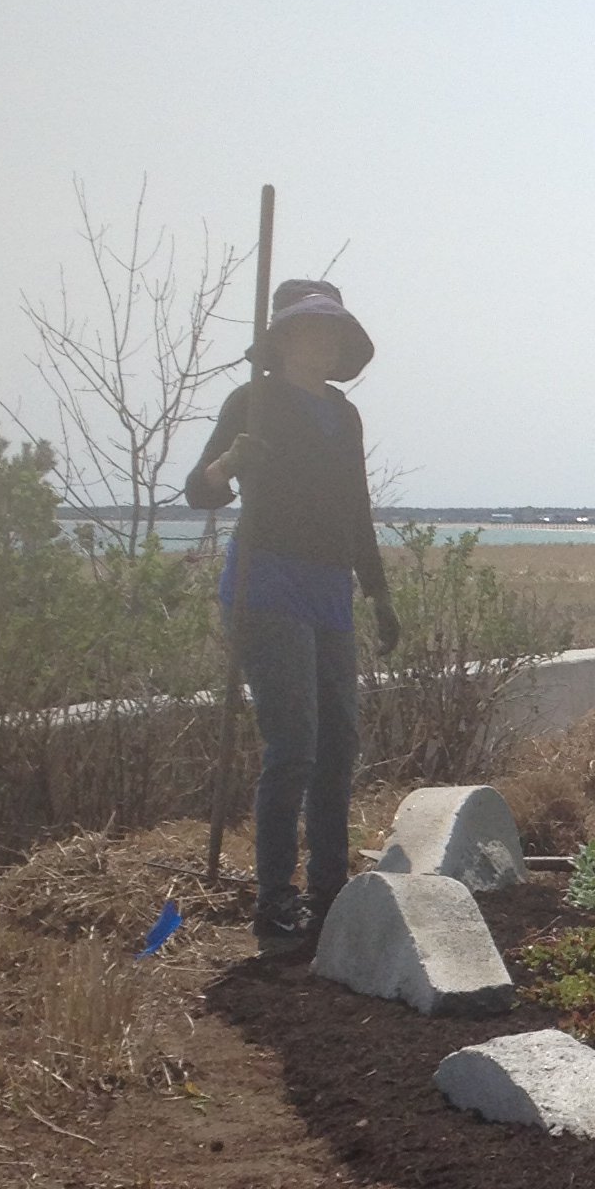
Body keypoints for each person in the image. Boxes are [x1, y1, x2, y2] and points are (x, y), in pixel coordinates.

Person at [184, 279, 399, 955]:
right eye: (310, 329)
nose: (323, 340)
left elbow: (357, 507)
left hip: (330, 587)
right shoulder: (254, 402)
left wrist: (380, 591)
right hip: (266, 580)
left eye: (332, 331)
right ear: (283, 339)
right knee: (294, 745)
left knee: (339, 743)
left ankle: (329, 890)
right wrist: (230, 462)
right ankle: (274, 899)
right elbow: (199, 491)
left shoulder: (344, 416)